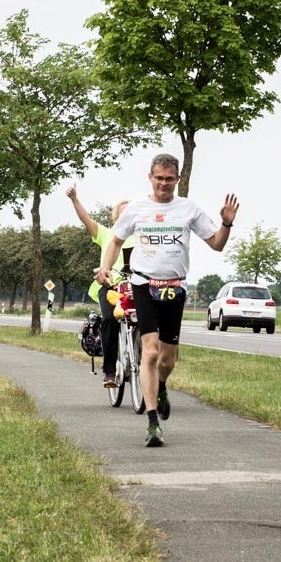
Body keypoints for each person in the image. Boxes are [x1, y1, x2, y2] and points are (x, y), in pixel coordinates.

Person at [96, 153, 239, 447]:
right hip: (143, 284)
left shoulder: (188, 209)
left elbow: (216, 244)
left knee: (167, 358)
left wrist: (226, 224)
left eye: (169, 179)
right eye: (159, 178)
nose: (164, 184)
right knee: (149, 352)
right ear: (150, 177)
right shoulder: (136, 209)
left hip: (175, 288)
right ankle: (152, 423)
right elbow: (116, 240)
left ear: (177, 179)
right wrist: (106, 267)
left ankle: (161, 386)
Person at [66, 184, 134, 389]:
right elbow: (86, 220)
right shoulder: (107, 234)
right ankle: (110, 372)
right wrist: (74, 199)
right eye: (123, 213)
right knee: (111, 321)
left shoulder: (143, 236)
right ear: (116, 218)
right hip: (111, 287)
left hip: (137, 286)